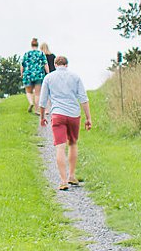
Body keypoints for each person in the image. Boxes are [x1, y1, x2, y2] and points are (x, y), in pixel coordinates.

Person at [39, 55, 91, 188]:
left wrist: (42, 117)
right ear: (67, 65)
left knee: (60, 147)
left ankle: (63, 181)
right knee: (73, 144)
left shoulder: (49, 78)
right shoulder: (75, 77)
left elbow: (43, 100)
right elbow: (83, 99)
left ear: (55, 65)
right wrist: (88, 118)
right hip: (74, 114)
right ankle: (72, 176)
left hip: (57, 114)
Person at [20, 39, 48, 113]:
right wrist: (48, 73)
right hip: (39, 75)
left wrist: (21, 73)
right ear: (37, 45)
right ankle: (36, 109)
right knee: (37, 93)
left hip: (28, 75)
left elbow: (22, 64)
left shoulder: (27, 54)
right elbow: (45, 64)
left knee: (28, 92)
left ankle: (31, 103)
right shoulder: (41, 53)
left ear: (31, 45)